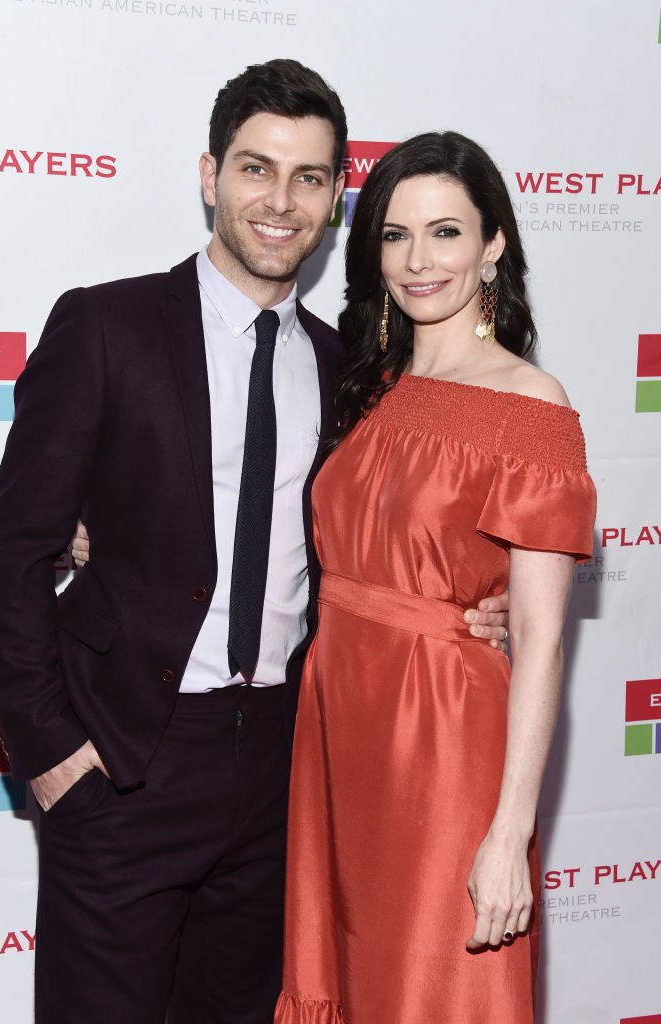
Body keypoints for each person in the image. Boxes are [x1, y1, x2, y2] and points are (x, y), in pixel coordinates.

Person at [0, 63, 510, 1024]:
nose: (280, 201)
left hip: (282, 768)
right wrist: (52, 751)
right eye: (256, 169)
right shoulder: (106, 325)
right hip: (125, 758)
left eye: (309, 177)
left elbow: (388, 537)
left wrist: (484, 599)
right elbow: (15, 555)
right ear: (209, 174)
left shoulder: (351, 365)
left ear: (337, 195)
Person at [274, 132, 596, 1024]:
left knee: (430, 986)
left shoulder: (531, 404)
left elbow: (537, 643)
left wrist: (510, 834)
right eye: (395, 234)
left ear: (494, 245)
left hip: (445, 741)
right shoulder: (368, 382)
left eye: (446, 233)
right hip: (339, 725)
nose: (418, 261)